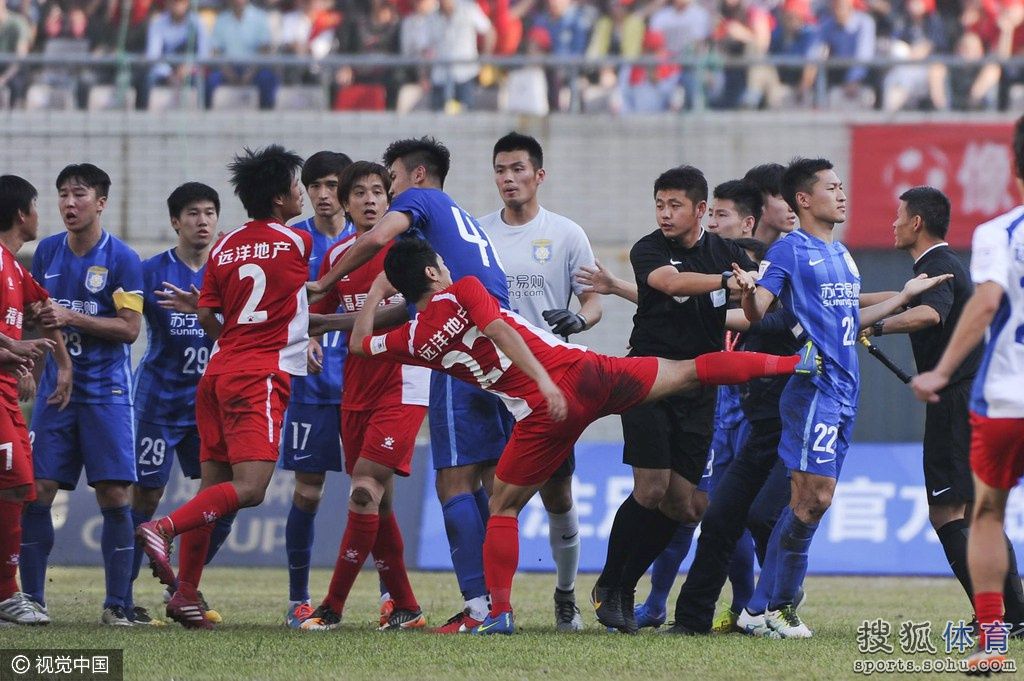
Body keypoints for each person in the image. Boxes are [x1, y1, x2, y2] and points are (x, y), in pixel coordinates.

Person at [352, 237, 822, 634]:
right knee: (689, 371)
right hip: (582, 375)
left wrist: (376, 291)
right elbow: (499, 330)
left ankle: (499, 612)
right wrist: (541, 378)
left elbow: (359, 343)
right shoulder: (465, 290)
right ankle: (792, 364)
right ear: (435, 271)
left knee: (503, 506)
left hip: (542, 416)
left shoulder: (413, 339)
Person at [732, 157, 952, 638]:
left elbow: (849, 316)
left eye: (841, 186)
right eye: (831, 187)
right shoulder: (789, 250)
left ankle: (757, 609)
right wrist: (749, 292)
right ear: (804, 199)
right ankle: (779, 607)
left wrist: (903, 295)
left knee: (807, 500)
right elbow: (758, 310)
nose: (842, 194)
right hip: (814, 390)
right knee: (816, 497)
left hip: (844, 390)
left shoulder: (844, 255)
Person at [310, 136, 512, 634]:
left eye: (391, 181)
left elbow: (378, 240)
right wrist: (330, 322)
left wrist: (322, 282)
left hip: (461, 345)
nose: (387, 195)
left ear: (415, 176)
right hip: (496, 339)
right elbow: (405, 311)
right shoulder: (451, 227)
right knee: (487, 480)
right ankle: (491, 606)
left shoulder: (418, 204)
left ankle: (481, 610)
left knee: (452, 481)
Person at [136, 144, 310, 629]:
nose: (303, 195)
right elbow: (312, 291)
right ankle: (161, 527)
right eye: (297, 187)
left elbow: (209, 315)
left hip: (214, 374)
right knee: (251, 489)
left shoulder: (226, 246)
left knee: (212, 490)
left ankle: (186, 594)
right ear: (279, 198)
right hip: (259, 376)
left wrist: (236, 333)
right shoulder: (296, 242)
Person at [592, 165, 756, 635]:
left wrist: (750, 293)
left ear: (700, 210)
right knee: (651, 489)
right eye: (660, 204)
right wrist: (727, 281)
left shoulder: (726, 252)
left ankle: (625, 583)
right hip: (647, 378)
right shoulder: (650, 249)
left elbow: (750, 312)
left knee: (685, 505)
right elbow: (669, 283)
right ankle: (612, 585)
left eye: (675, 205)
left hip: (698, 387)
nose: (664, 214)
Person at [870, 186, 1024, 627]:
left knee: (947, 512)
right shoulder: (939, 264)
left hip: (954, 400)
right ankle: (1011, 613)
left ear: (916, 222)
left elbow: (928, 314)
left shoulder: (937, 266)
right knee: (979, 511)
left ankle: (1002, 615)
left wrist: (878, 327)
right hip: (973, 396)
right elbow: (904, 297)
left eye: (899, 216)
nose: (893, 223)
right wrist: (845, 303)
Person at [911, 115, 1024, 673]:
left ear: (1013, 166)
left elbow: (984, 304)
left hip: (1004, 397)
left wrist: (941, 369)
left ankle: (994, 643)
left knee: (983, 514)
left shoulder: (998, 232)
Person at [477, 131, 602, 632]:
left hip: (549, 383)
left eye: (518, 170)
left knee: (558, 497)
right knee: (492, 495)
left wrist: (580, 322)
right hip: (490, 382)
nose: (509, 179)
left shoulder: (567, 234)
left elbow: (593, 299)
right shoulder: (478, 234)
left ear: (538, 175)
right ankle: (487, 604)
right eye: (501, 170)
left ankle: (566, 593)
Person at [299, 161, 430, 632]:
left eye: (379, 191)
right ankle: (407, 607)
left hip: (403, 383)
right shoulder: (339, 256)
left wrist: (330, 326)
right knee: (380, 505)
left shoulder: (406, 251)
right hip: (355, 387)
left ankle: (331, 608)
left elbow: (406, 310)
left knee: (362, 491)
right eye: (360, 193)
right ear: (347, 202)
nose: (371, 200)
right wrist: (310, 337)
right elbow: (318, 309)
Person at [23, 164, 143, 626]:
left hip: (109, 394)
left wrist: (75, 318)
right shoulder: (47, 252)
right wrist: (60, 365)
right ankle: (32, 600)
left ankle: (117, 605)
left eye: (79, 194)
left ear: (101, 202)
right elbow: (45, 317)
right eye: (62, 195)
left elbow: (130, 330)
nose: (69, 204)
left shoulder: (123, 259)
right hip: (58, 394)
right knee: (39, 490)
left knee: (114, 493)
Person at [126, 182, 233, 626]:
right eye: (192, 213)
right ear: (175, 221)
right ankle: (122, 595)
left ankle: (184, 584)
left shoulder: (228, 271)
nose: (202, 221)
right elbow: (128, 324)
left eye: (209, 212)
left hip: (208, 403)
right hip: (158, 400)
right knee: (147, 495)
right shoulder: (149, 272)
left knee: (220, 498)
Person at [282, 150, 356, 629]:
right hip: (309, 387)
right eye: (315, 186)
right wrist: (301, 336)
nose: (324, 196)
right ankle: (298, 598)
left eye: (332, 185)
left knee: (376, 491)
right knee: (308, 493)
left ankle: (394, 597)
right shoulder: (292, 241)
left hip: (364, 383)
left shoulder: (367, 241)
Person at [0, 174, 70, 626]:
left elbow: (44, 312)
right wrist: (12, 351)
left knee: (20, 487)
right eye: (38, 205)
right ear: (23, 213)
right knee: (18, 483)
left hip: (6, 393)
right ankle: (9, 595)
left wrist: (60, 363)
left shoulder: (15, 267)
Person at [743, 163, 796, 246]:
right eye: (784, 199)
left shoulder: (794, 253)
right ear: (758, 203)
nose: (792, 207)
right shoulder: (732, 252)